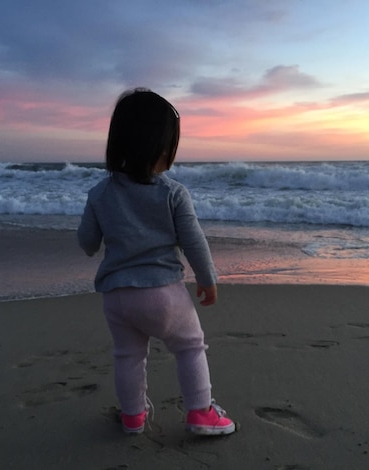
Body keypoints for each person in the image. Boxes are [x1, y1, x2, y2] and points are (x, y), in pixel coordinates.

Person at [77, 88, 235, 436]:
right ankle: (201, 413)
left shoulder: (100, 194)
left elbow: (87, 242)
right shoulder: (172, 193)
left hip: (117, 296)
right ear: (162, 148)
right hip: (163, 292)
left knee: (128, 356)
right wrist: (207, 278)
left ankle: (133, 417)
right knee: (190, 346)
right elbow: (193, 240)